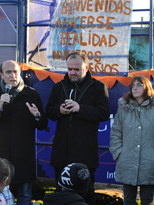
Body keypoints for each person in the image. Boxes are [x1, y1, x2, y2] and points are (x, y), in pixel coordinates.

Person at [46, 51, 110, 205]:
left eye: (76, 69)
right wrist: (59, 111)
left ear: (86, 67)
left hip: (85, 153)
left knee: (86, 194)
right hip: (61, 153)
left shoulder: (99, 87)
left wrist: (80, 108)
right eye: (69, 69)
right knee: (61, 193)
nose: (72, 73)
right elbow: (49, 110)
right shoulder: (58, 87)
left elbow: (104, 113)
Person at [0, 60, 48, 204]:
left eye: (16, 72)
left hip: (23, 157)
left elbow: (43, 125)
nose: (13, 75)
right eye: (8, 72)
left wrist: (37, 116)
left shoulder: (31, 95)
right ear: (1, 75)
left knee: (24, 196)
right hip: (0, 157)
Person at [109, 75, 154, 205]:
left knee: (147, 200)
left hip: (149, 162)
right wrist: (119, 153)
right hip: (127, 160)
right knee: (128, 200)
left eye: (138, 85)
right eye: (133, 85)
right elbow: (115, 133)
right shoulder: (124, 109)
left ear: (147, 87)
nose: (134, 88)